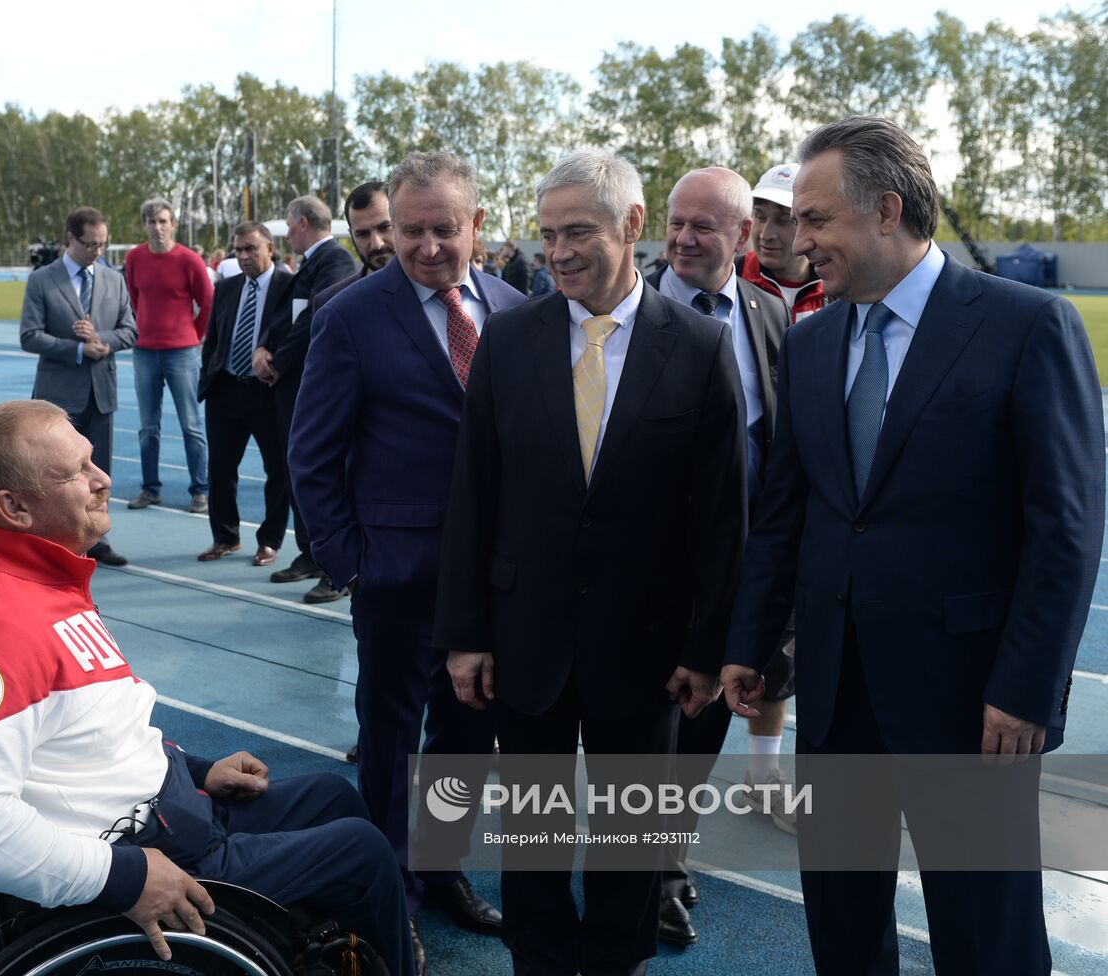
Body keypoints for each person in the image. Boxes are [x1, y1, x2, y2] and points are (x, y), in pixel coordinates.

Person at [720, 116, 1104, 976]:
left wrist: (1027, 690)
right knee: (844, 927)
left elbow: (1066, 526)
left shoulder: (1026, 325)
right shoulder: (813, 339)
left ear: (887, 210)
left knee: (986, 934)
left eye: (817, 220)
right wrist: (751, 642)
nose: (799, 239)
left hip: (973, 705)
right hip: (835, 692)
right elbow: (789, 512)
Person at [0, 398, 412, 976]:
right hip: (141, 851)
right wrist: (127, 877)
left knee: (333, 796)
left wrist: (196, 771)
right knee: (363, 853)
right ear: (13, 507)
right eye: (75, 473)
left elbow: (91, 736)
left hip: (165, 812)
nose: (102, 480)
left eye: (92, 461)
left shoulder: (41, 581)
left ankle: (345, 939)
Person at [434, 149, 747, 976]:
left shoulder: (702, 347)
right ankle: (536, 960)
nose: (559, 252)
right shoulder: (506, 341)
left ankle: (617, 960)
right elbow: (475, 495)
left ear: (632, 226)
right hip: (524, 636)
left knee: (629, 843)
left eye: (578, 232)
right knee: (533, 835)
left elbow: (722, 520)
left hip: (646, 652)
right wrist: (465, 634)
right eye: (547, 235)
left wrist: (705, 649)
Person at [290, 152, 523, 974]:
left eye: (442, 230)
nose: (425, 246)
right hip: (395, 577)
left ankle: (442, 869)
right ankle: (389, 893)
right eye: (409, 229)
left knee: (465, 738)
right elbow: (312, 455)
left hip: (492, 583)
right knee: (391, 742)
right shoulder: (349, 315)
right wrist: (349, 562)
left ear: (477, 226)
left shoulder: (516, 309)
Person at [644, 166, 792, 947]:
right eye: (676, 223)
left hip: (738, 576)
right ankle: (647, 874)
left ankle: (664, 855)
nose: (685, 238)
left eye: (705, 226)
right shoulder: (623, 310)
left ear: (743, 238)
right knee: (648, 732)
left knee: (700, 735)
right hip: (647, 575)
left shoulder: (772, 316)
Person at [19, 206, 137, 567]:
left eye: (103, 244)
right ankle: (50, 542)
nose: (97, 252)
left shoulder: (114, 279)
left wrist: (101, 341)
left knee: (98, 470)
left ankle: (96, 539)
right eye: (91, 244)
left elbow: (130, 330)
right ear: (69, 239)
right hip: (57, 396)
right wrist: (77, 350)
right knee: (54, 472)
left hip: (101, 391)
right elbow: (29, 336)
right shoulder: (42, 280)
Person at [257, 195, 356, 604]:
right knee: (294, 468)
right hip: (289, 382)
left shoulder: (334, 261)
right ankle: (310, 554)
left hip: (306, 382)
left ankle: (333, 567)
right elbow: (282, 315)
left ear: (300, 223)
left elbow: (312, 322)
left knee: (319, 472)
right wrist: (263, 345)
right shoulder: (309, 264)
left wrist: (278, 358)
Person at [196, 222, 292, 567]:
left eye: (251, 248)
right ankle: (225, 537)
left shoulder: (289, 286)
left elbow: (298, 335)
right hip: (225, 388)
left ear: (270, 247)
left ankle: (269, 540)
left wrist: (278, 364)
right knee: (220, 469)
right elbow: (214, 336)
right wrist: (210, 371)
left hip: (268, 392)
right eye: (238, 250)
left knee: (277, 471)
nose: (243, 256)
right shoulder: (227, 287)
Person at [124, 198, 213, 514]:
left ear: (173, 223)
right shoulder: (134, 258)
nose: (157, 227)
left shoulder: (189, 260)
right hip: (145, 352)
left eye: (163, 221)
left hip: (182, 353)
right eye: (151, 222)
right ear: (145, 225)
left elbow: (208, 302)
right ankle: (150, 489)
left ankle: (200, 490)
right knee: (148, 427)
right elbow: (135, 299)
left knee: (191, 425)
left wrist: (194, 334)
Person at [739, 162, 826, 323]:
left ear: (811, 223)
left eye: (783, 220)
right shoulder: (731, 279)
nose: (766, 234)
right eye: (760, 216)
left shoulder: (834, 285)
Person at [309, 180, 395, 315]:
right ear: (352, 235)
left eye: (384, 228)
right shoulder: (330, 303)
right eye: (363, 234)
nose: (377, 244)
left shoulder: (434, 287)